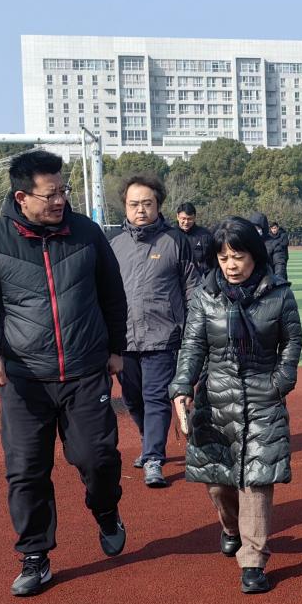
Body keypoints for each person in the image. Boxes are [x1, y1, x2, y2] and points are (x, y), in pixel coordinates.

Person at [0, 150, 128, 597]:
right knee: (26, 470)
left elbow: (113, 295)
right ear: (22, 197)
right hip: (24, 380)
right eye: (50, 194)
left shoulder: (87, 233)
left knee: (97, 459)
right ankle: (35, 556)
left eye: (62, 191)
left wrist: (116, 349)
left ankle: (106, 511)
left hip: (85, 372)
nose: (60, 200)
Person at [170, 217, 302, 595]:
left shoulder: (278, 293)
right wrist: (182, 385)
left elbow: (292, 341)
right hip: (216, 399)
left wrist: (281, 381)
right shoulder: (205, 296)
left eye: (238, 257)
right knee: (218, 482)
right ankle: (231, 527)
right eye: (224, 257)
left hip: (263, 398)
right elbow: (193, 345)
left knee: (256, 481)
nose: (231, 265)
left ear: (254, 256)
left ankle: (253, 560)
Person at [111, 174, 199, 487]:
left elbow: (192, 288)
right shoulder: (113, 244)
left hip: (163, 336)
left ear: (158, 205)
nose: (141, 209)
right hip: (124, 339)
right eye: (134, 204)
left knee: (156, 398)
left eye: (147, 203)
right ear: (125, 206)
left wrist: (192, 331)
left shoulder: (175, 241)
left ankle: (153, 458)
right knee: (132, 400)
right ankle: (148, 438)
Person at [248, 212, 288, 280]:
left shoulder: (274, 244)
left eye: (258, 228)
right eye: (253, 228)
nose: (255, 230)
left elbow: (279, 264)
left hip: (267, 280)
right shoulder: (245, 243)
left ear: (263, 229)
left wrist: (278, 280)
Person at [176, 202, 213, 274]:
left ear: (194, 217)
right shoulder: (171, 236)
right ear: (177, 217)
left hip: (200, 276)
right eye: (183, 219)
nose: (186, 222)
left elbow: (211, 260)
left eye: (189, 219)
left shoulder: (205, 235)